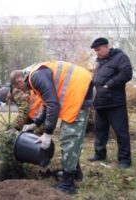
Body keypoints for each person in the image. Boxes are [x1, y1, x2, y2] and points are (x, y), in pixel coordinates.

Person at [10, 61, 93, 194]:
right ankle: (75, 173)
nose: (25, 92)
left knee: (69, 139)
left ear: (20, 81)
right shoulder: (36, 74)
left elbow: (53, 104)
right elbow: (46, 103)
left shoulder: (35, 76)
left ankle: (68, 184)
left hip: (78, 91)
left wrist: (48, 133)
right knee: (72, 140)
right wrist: (35, 123)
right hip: (79, 88)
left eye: (20, 89)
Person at [88, 37, 132, 169]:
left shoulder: (120, 57)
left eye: (99, 50)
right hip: (100, 103)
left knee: (121, 132)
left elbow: (127, 73)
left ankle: (124, 160)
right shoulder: (99, 62)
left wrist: (109, 84)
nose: (97, 53)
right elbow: (96, 80)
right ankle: (100, 154)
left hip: (115, 103)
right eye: (95, 51)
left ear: (107, 47)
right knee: (100, 130)